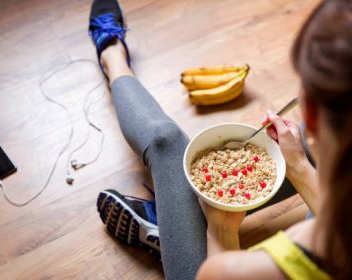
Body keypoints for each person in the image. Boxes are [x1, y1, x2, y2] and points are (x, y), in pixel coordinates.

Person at [89, 0, 352, 279]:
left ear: (309, 110)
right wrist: (298, 163)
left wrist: (221, 227)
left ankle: (112, 54)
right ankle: (172, 222)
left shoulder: (242, 272)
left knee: (165, 142)